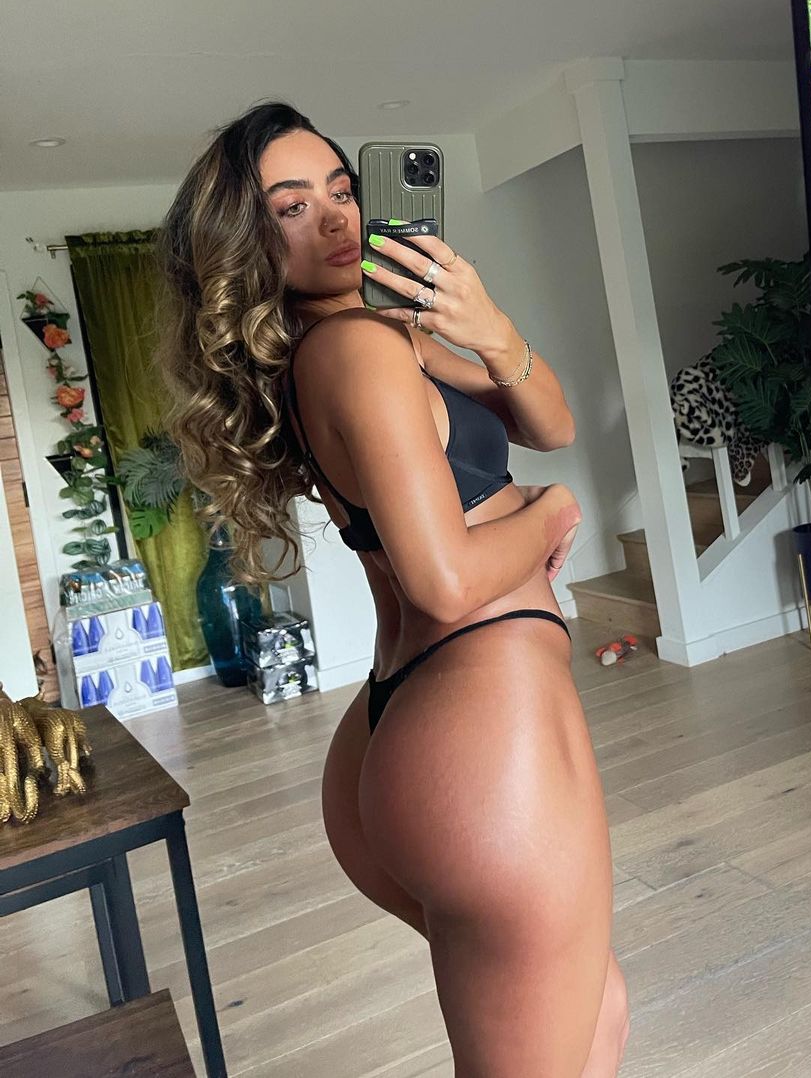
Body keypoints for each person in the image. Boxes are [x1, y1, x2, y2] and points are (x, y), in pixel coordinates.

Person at [156, 101, 630, 1075]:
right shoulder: (359, 351)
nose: (336, 218)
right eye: (292, 206)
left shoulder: (377, 334)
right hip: (480, 726)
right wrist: (547, 517)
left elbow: (551, 424)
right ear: (247, 243)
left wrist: (489, 328)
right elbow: (447, 581)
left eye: (342, 190)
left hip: (418, 722)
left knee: (598, 1015)